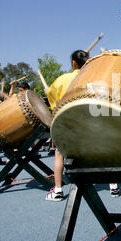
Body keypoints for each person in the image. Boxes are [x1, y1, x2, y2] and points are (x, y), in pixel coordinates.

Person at [44, 50, 89, 201]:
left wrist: (48, 92)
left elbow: (52, 95)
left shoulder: (63, 79)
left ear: (73, 63)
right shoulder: (92, 77)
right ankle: (113, 185)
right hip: (87, 123)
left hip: (66, 122)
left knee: (59, 154)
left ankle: (57, 190)